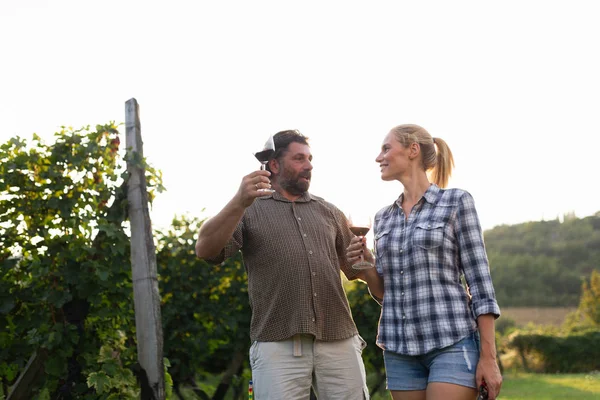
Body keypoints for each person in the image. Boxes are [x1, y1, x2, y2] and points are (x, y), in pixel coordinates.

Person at [195, 130, 373, 400]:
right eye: (299, 158)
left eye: (310, 159)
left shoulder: (330, 212)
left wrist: (369, 261)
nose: (309, 165)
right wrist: (238, 201)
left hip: (339, 340)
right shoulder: (248, 209)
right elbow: (206, 250)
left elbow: (359, 270)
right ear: (275, 165)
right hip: (277, 344)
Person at [346, 124, 502, 400]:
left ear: (412, 150)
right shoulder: (383, 218)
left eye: (386, 148)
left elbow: (480, 285)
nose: (378, 157)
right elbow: (385, 293)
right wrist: (367, 268)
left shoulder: (455, 202)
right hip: (399, 349)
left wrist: (489, 358)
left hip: (451, 341)